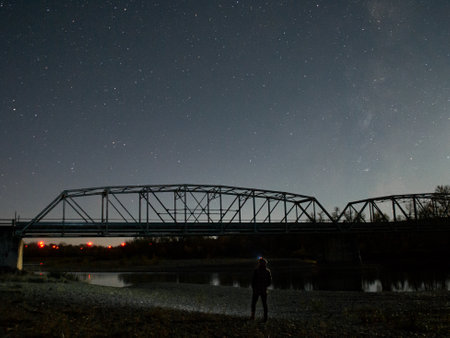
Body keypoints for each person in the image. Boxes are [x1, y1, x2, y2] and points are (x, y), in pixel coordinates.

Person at [250, 257, 272, 322]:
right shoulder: (267, 271)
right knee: (264, 304)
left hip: (258, 290)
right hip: (262, 290)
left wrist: (254, 288)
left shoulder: (257, 271)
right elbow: (269, 282)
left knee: (254, 303)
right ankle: (265, 317)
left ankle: (253, 316)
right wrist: (265, 286)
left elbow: (253, 281)